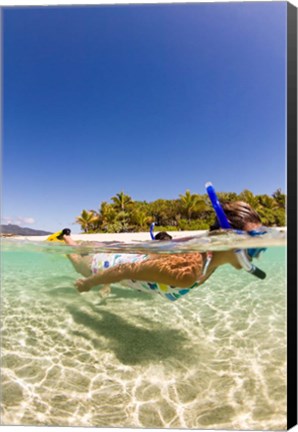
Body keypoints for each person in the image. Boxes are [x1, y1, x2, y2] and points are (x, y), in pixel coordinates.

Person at [62, 200, 266, 302]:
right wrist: (88, 284)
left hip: (130, 265)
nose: (258, 253)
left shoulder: (213, 262)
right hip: (114, 266)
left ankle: (71, 243)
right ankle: (66, 239)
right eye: (253, 246)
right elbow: (126, 269)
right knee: (81, 267)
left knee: (84, 265)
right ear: (226, 238)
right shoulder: (190, 270)